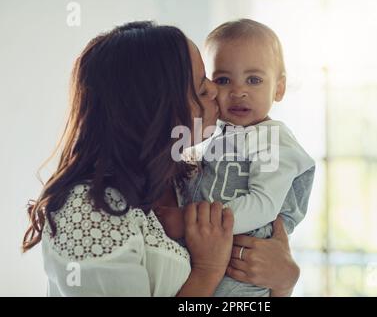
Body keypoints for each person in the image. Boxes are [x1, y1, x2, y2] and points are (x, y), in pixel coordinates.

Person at [22, 21, 300, 297]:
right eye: (203, 87)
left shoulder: (190, 178)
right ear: (156, 109)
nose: (217, 91)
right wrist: (208, 269)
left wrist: (283, 283)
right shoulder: (89, 211)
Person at [156, 19, 315, 297]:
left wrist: (185, 222)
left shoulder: (273, 140)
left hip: (243, 272)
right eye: (223, 80)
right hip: (206, 266)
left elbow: (264, 205)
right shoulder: (213, 137)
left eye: (254, 80)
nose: (238, 91)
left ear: (279, 89)